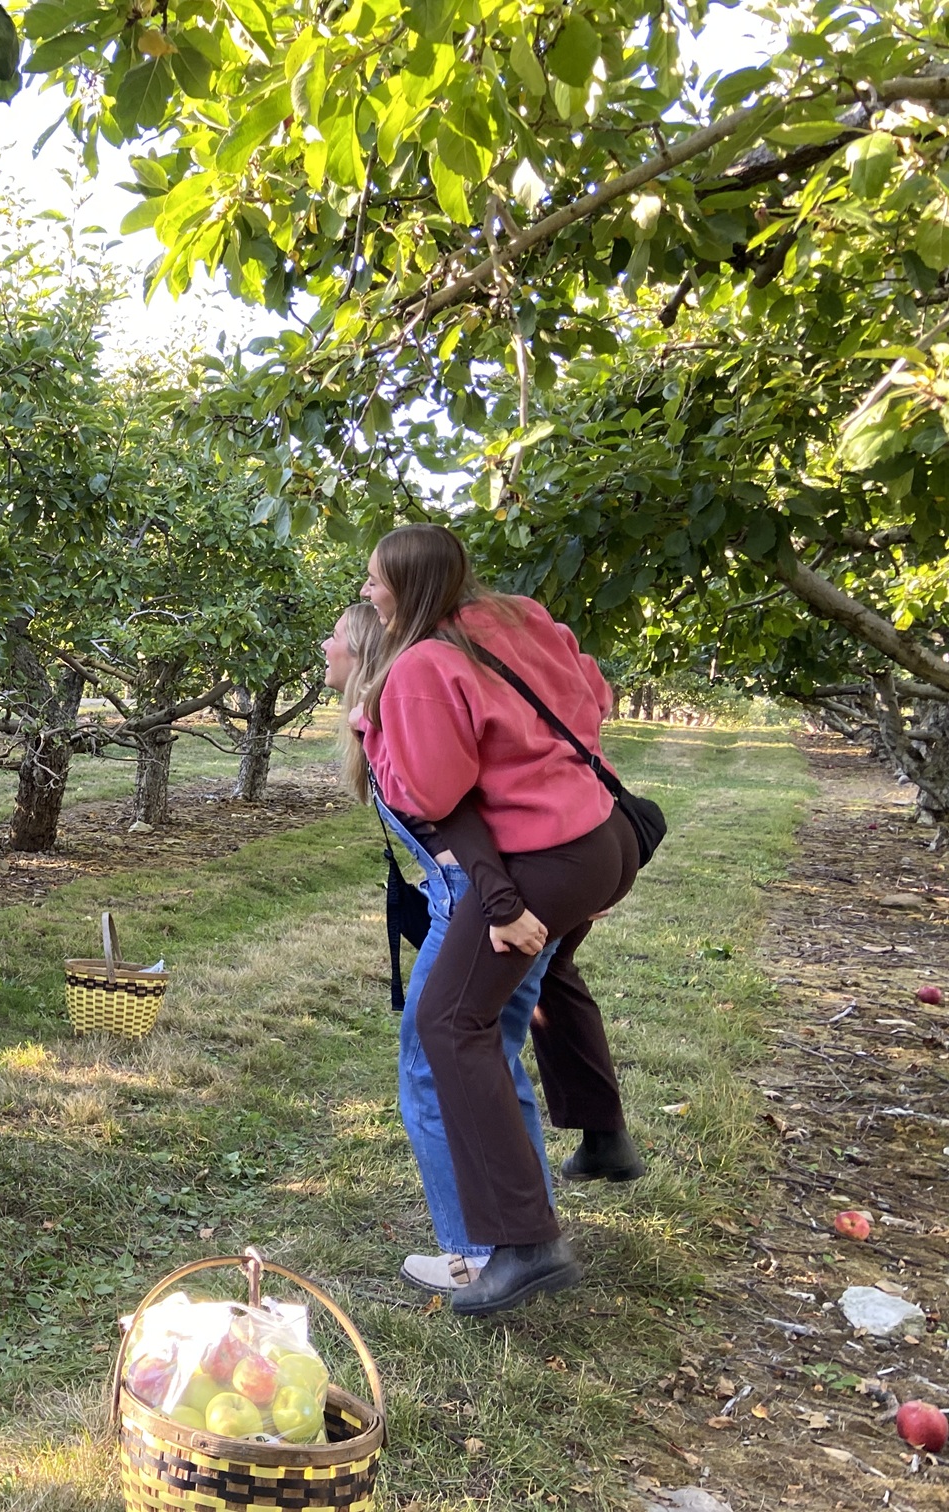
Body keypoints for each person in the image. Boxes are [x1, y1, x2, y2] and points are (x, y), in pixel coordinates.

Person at [353, 523, 644, 1316]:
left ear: (407, 588)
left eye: (375, 579)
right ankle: (602, 1133)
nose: (367, 592)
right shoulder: (516, 616)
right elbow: (595, 692)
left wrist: (373, 728)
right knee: (543, 979)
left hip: (541, 860)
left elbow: (432, 794)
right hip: (604, 836)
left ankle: (520, 1242)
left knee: (451, 1024)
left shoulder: (419, 667)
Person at [325, 604, 558, 1295]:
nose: (324, 646)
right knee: (491, 1055)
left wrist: (479, 902)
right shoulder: (395, 714)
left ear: (361, 649)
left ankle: (476, 1252)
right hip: (508, 891)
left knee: (431, 1063)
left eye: (334, 635)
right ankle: (527, 1237)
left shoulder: (396, 720)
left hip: (482, 900)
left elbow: (455, 821)